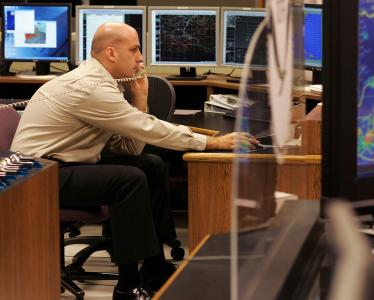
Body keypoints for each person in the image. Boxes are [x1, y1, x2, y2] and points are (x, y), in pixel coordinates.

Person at [11, 22, 258, 300]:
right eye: (135, 49)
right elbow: (147, 128)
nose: (141, 58)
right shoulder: (91, 87)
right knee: (127, 180)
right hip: (33, 176)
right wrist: (212, 142)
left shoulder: (105, 84)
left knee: (149, 165)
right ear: (111, 53)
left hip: (59, 167)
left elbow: (130, 148)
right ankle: (127, 287)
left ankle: (153, 266)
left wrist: (140, 98)